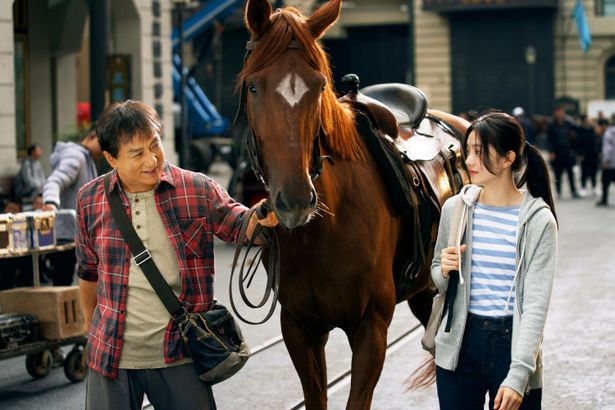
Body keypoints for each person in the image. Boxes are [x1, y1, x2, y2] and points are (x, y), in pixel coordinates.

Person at [76, 100, 278, 410]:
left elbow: (240, 225)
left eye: (155, 144)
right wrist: (91, 336)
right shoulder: (90, 199)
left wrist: (263, 216)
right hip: (112, 354)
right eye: (137, 153)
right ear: (111, 159)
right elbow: (88, 273)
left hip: (179, 351)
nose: (152, 159)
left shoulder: (196, 189)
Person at [431, 112, 558, 410]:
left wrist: (518, 375)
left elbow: (536, 306)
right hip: (459, 346)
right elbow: (436, 277)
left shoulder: (538, 221)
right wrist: (444, 269)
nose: (469, 161)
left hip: (512, 346)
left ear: (507, 158)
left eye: (479, 152)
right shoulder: (456, 208)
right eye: (468, 151)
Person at [41, 124, 100, 286]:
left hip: (71, 232)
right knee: (63, 282)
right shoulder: (76, 157)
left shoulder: (87, 158)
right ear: (92, 137)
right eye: (103, 142)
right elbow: (55, 180)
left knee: (66, 281)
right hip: (67, 233)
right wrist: (50, 202)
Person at [547, 105, 579, 199]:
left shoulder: (568, 124)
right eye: (559, 112)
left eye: (562, 112)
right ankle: (558, 191)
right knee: (558, 173)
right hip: (557, 153)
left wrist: (574, 149)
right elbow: (549, 139)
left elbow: (574, 137)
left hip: (567, 152)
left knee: (570, 173)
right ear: (555, 114)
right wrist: (551, 152)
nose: (561, 114)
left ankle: (573, 191)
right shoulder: (552, 125)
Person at [574, 115, 599, 197]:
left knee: (593, 171)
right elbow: (577, 143)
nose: (589, 121)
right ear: (584, 121)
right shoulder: (579, 130)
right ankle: (583, 188)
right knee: (584, 171)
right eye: (588, 120)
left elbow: (595, 141)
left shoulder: (592, 129)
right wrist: (579, 154)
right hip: (584, 154)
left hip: (593, 154)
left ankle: (594, 187)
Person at [597, 122, 615, 206]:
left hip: (610, 164)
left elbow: (608, 149)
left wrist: (605, 161)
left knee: (605, 181)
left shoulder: (608, 133)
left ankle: (604, 199)